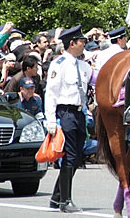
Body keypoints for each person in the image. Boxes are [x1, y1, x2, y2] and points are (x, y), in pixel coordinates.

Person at [45, 25, 91, 212]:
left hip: (80, 113)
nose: (84, 44)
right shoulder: (59, 65)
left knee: (77, 156)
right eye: (82, 41)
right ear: (72, 43)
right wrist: (50, 120)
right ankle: (65, 201)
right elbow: (51, 94)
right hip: (66, 113)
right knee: (70, 156)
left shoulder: (85, 66)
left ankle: (56, 197)